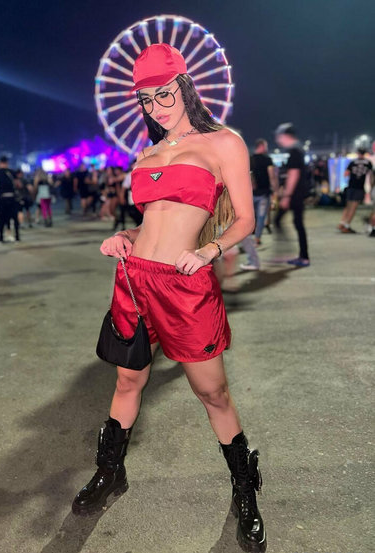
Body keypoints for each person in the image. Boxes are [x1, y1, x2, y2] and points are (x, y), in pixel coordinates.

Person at [71, 43, 266, 553]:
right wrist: (123, 237)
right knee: (128, 379)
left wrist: (209, 251)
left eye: (163, 94)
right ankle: (110, 472)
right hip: (134, 279)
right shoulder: (146, 155)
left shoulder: (224, 143)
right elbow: (149, 225)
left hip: (185, 282)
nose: (156, 107)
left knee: (212, 392)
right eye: (145, 99)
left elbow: (245, 218)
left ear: (184, 86)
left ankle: (245, 491)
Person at [274, 123, 310, 267]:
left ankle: (290, 253)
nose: (277, 139)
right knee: (297, 223)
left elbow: (293, 174)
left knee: (281, 221)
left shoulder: (295, 151)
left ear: (285, 136)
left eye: (279, 136)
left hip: (295, 194)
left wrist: (287, 196)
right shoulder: (298, 150)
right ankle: (302, 256)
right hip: (298, 193)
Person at [337, 148, 373, 234]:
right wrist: (371, 187)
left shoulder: (353, 162)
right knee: (354, 207)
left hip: (351, 186)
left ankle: (342, 223)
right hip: (359, 187)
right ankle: (347, 225)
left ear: (358, 153)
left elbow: (346, 174)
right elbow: (371, 175)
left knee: (348, 205)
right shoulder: (368, 163)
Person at [250, 139, 277, 245]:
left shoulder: (249, 159)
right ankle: (257, 238)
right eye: (266, 146)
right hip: (264, 193)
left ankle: (248, 238)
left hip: (251, 194)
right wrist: (275, 190)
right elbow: (272, 176)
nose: (267, 148)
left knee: (251, 216)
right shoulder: (267, 160)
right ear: (261, 146)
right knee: (261, 217)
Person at [0, 156, 20, 242]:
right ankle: (17, 236)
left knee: (1, 219)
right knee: (15, 218)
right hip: (12, 198)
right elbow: (18, 184)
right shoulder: (12, 172)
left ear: (0, 163)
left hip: (2, 198)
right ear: (7, 163)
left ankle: (1, 237)